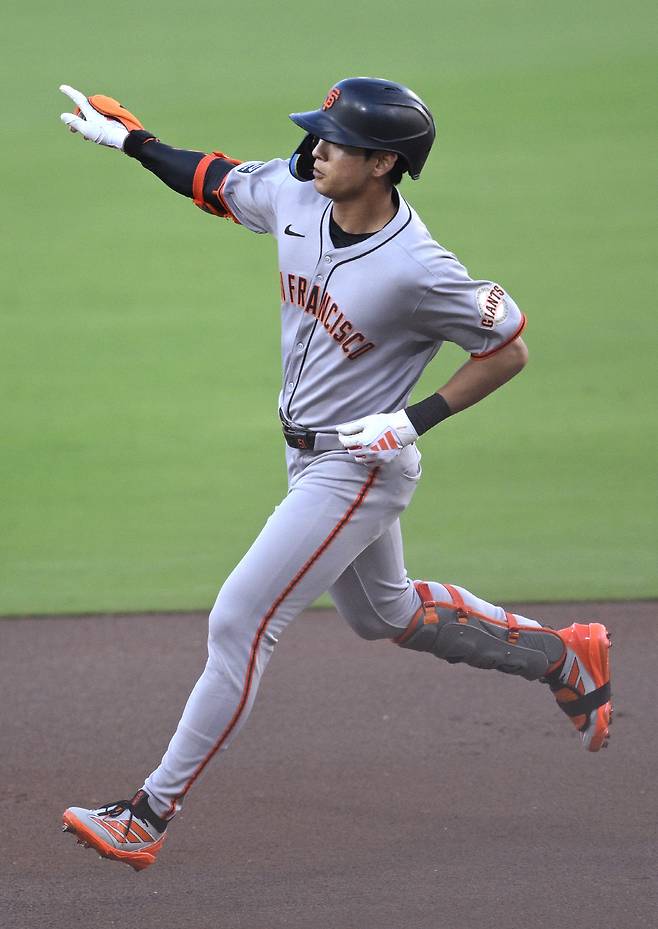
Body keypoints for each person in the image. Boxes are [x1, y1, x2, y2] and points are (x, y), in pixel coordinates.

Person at [58, 79, 612, 871]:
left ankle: (147, 813)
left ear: (383, 162)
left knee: (240, 620)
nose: (316, 148)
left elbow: (508, 347)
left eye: (336, 140)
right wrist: (133, 142)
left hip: (358, 468)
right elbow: (215, 180)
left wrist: (413, 419)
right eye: (317, 134)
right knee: (385, 613)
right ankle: (563, 655)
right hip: (305, 454)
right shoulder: (297, 194)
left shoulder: (418, 269)